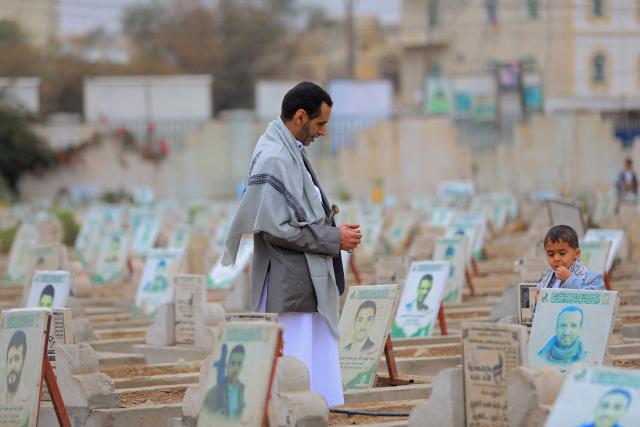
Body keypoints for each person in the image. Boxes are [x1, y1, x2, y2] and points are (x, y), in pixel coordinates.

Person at [223, 81, 362, 406]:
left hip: (303, 280)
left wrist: (334, 232)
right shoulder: (275, 158)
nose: (323, 132)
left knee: (314, 368)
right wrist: (333, 238)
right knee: (293, 374)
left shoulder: (287, 151)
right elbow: (276, 230)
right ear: (300, 117)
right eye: (320, 123)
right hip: (290, 287)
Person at [537, 225, 605, 291]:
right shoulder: (547, 277)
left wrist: (569, 279)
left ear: (576, 253)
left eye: (562, 253)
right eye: (551, 254)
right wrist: (539, 300)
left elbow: (594, 298)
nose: (556, 259)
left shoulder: (593, 279)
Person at [202, 344, 246, 418]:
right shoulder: (211, 394)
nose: (235, 369)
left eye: (239, 363)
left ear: (242, 366)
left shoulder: (243, 390)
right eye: (233, 363)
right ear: (227, 365)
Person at [4, 330, 27, 402]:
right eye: (10, 360)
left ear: (23, 363)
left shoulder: (28, 398)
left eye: (17, 359)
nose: (12, 366)